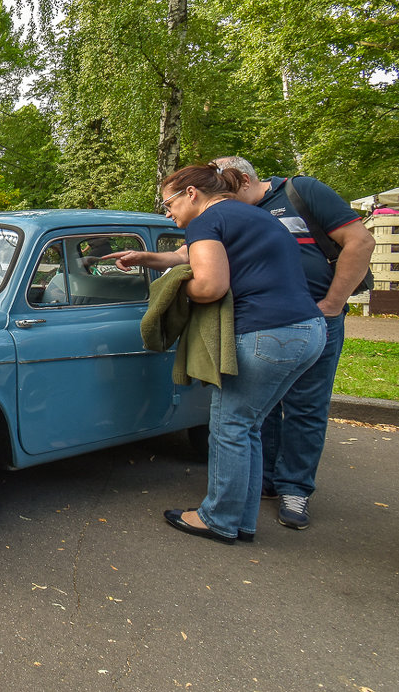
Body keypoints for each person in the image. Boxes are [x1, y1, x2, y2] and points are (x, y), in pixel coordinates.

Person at [111, 163, 325, 543]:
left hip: (264, 334)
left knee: (229, 427)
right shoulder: (250, 216)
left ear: (192, 194)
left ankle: (218, 519)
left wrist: (173, 291)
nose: (169, 213)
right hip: (307, 331)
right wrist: (147, 259)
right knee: (248, 426)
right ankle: (242, 520)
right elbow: (186, 256)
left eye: (169, 204)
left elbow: (208, 286)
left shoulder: (206, 222)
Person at [213, 156, 376, 529]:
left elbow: (359, 242)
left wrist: (333, 304)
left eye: (222, 190)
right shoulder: (235, 215)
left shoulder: (301, 192)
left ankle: (295, 488)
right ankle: (266, 478)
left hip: (314, 317)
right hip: (259, 322)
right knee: (262, 406)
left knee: (305, 405)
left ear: (240, 180)